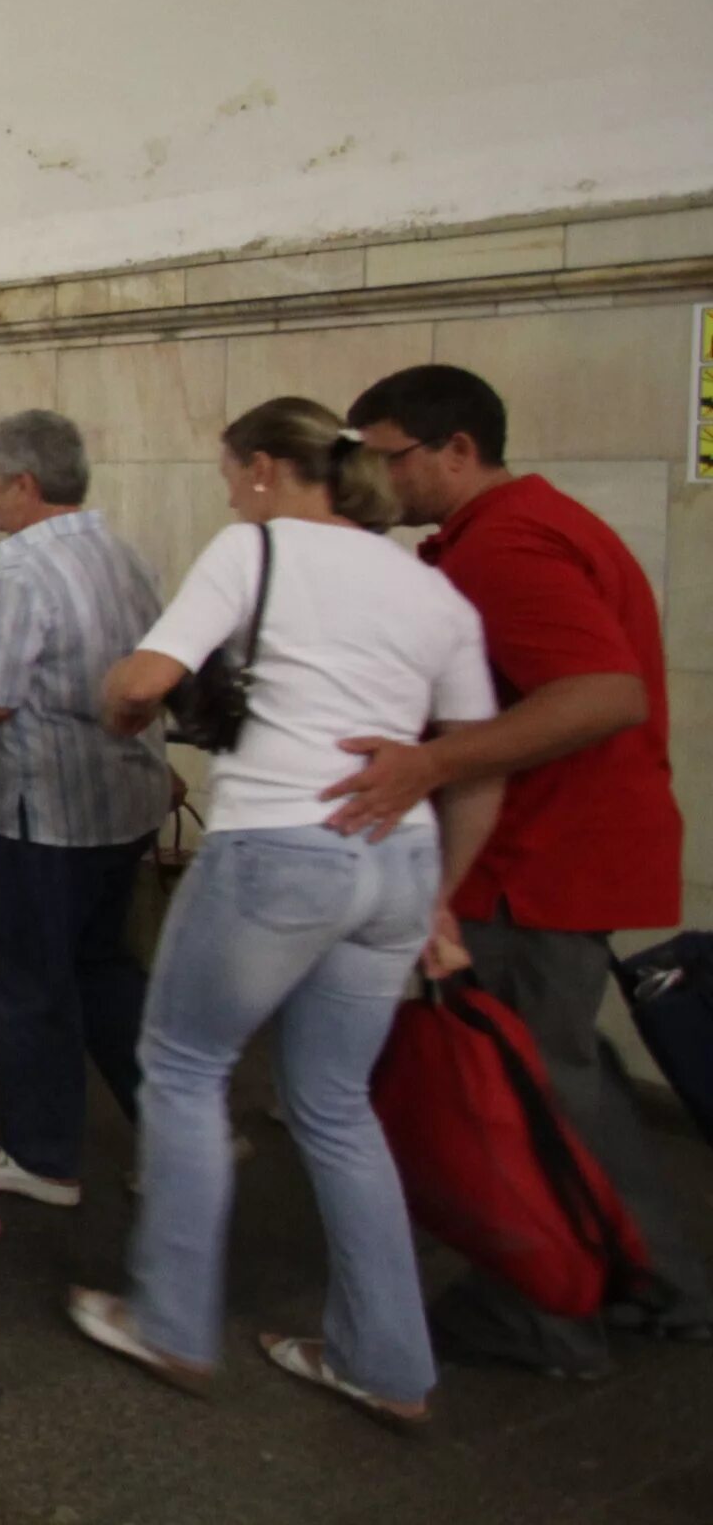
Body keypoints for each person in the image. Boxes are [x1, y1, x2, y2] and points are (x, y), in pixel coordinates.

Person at [72, 397, 502, 1423]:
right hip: (396, 861)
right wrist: (443, 896)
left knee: (181, 1067)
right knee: (336, 1105)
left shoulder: (253, 546)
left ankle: (171, 1320)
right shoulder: (429, 586)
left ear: (266, 467)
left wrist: (123, 699)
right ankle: (389, 1361)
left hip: (278, 849)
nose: (227, 490)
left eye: (229, 470)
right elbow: (478, 768)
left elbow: (145, 675)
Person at [334, 364, 713, 1371]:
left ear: (457, 449)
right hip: (564, 854)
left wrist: (431, 761)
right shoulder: (522, 527)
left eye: (384, 457)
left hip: (540, 860)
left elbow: (601, 694)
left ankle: (542, 1310)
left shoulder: (507, 542)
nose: (373, 477)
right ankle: (660, 1278)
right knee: (566, 1079)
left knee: (520, 1094)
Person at [0, 410, 172, 1205]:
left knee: (32, 980)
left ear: (25, 485)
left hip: (49, 811)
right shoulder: (123, 554)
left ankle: (42, 1154)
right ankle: (180, 1139)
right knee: (106, 967)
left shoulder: (22, 571)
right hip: (123, 799)